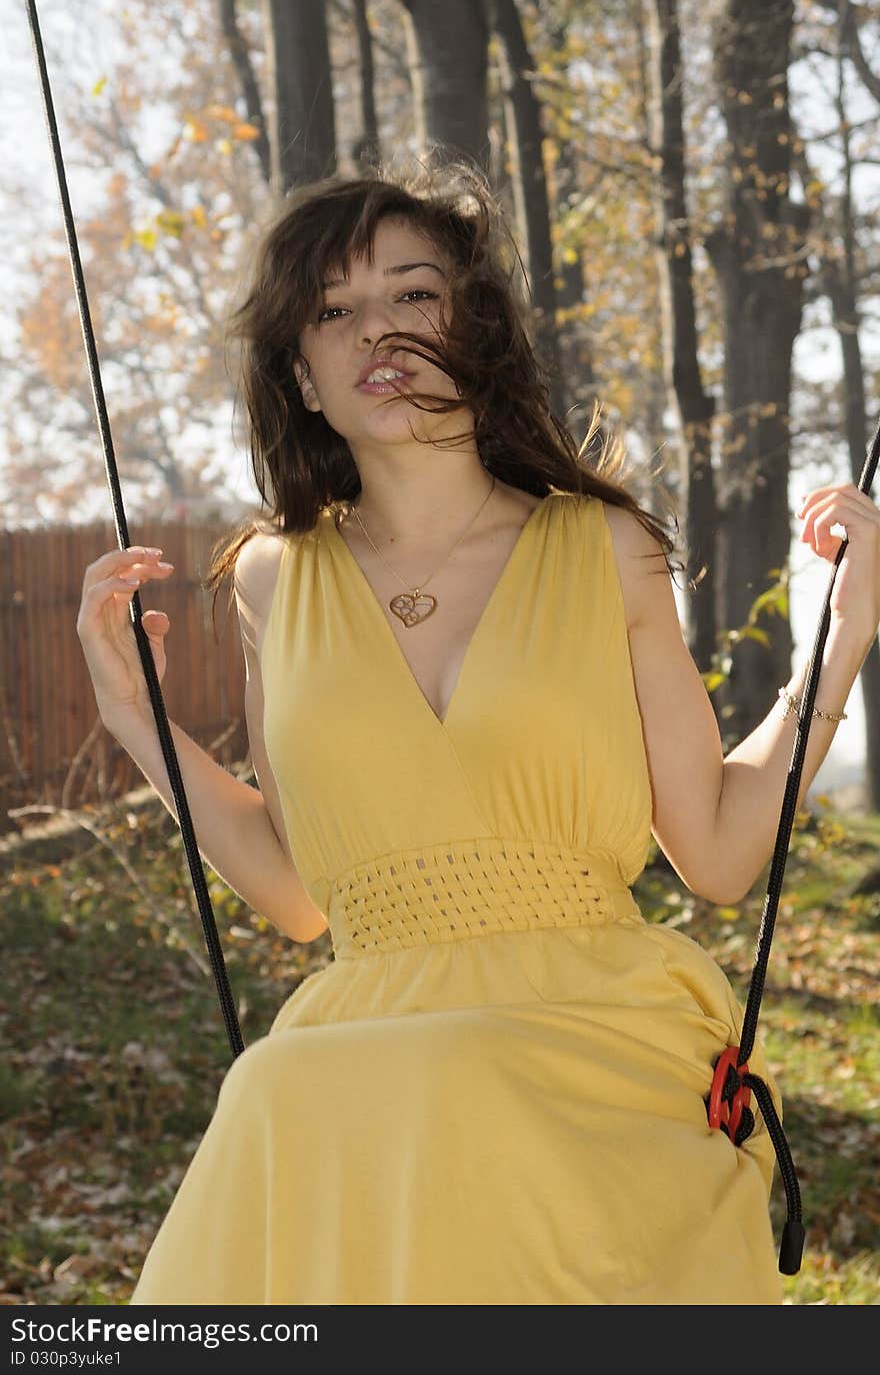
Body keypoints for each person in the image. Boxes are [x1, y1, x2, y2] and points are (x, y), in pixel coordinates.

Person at [76, 155, 879, 1305]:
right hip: (362, 1039)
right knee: (279, 1092)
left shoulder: (604, 549)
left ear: (475, 328)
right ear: (301, 376)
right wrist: (136, 721)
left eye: (413, 293)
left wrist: (838, 643)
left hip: (590, 1031)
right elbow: (300, 890)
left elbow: (714, 849)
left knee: (422, 1077)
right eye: (334, 312)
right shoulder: (268, 579)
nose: (379, 333)